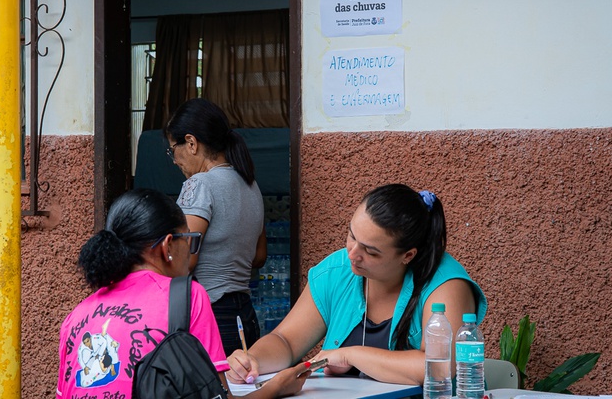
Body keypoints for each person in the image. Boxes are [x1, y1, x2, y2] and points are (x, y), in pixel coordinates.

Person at [56, 188, 309, 398]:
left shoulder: (77, 315)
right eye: (188, 240)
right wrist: (277, 387)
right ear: (168, 246)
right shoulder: (186, 298)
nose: (190, 252)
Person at [227, 183, 488, 386]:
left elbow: (440, 366)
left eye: (370, 251)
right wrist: (253, 360)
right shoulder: (338, 270)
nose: (352, 254)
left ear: (408, 256)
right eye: (351, 235)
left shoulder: (446, 283)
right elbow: (285, 340)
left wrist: (349, 355)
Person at [164, 98, 267, 355]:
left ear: (191, 142)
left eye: (172, 149)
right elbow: (259, 256)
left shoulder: (200, 184)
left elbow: (183, 259)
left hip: (211, 315)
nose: (174, 160)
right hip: (244, 314)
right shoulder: (251, 185)